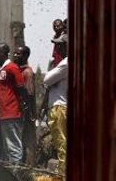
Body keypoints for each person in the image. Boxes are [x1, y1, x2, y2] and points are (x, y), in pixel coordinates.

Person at [0, 43, 27, 164]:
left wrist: (22, 106)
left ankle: (16, 173)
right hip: (4, 113)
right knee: (8, 147)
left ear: (2, 53)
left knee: (13, 147)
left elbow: (21, 88)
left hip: (12, 112)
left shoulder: (11, 68)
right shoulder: (2, 69)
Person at [43, 43, 68, 175]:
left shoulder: (66, 62)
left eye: (60, 45)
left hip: (59, 106)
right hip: (62, 105)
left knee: (62, 142)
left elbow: (47, 79)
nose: (57, 48)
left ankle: (63, 173)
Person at [14, 45, 37, 165]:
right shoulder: (16, 70)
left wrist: (26, 113)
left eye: (19, 54)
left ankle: (28, 169)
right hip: (18, 112)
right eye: (15, 53)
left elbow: (29, 94)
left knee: (26, 142)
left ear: (26, 56)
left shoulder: (27, 72)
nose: (15, 55)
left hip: (24, 113)